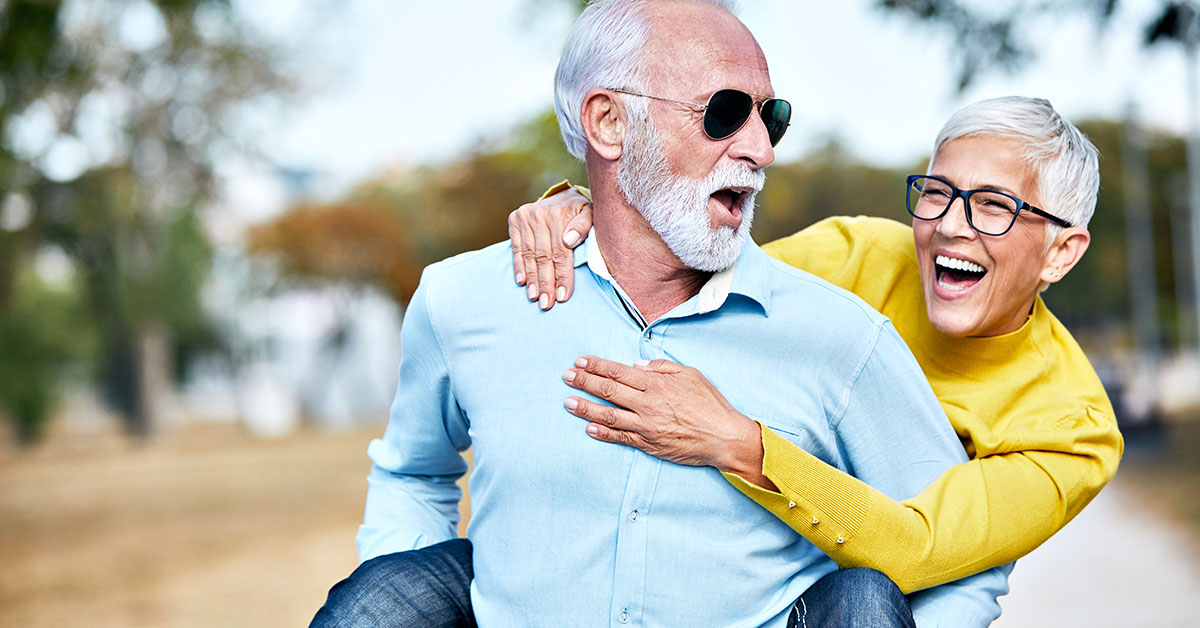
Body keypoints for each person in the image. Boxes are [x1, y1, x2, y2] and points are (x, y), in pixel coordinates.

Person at [311, 1, 1010, 626]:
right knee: (383, 598)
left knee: (863, 600)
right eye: (725, 111)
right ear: (609, 122)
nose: (761, 149)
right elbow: (413, 473)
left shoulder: (841, 337)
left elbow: (961, 548)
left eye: (773, 117)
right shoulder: (461, 301)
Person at [506, 95, 1124, 593]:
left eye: (995, 207)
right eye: (937, 194)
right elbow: (684, 286)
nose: (950, 227)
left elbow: (915, 550)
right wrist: (582, 209)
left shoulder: (1072, 433)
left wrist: (739, 444)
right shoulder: (857, 256)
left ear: (1061, 253)